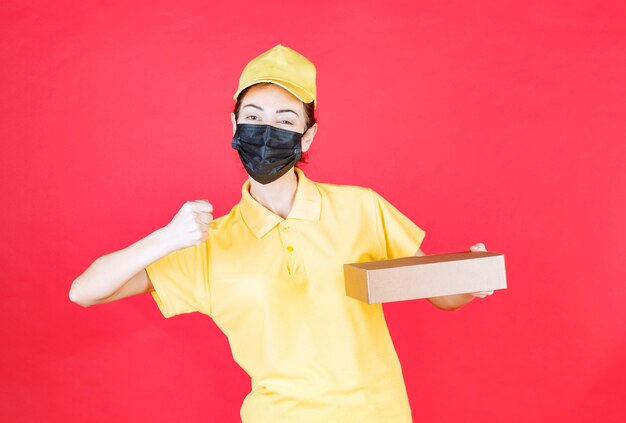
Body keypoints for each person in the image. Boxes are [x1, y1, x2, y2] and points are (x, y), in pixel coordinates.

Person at [69, 44, 494, 423]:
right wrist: (165, 237)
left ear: (307, 135)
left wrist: (471, 277)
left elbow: (443, 297)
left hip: (380, 413)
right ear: (233, 126)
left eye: (285, 119)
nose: (267, 131)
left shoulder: (361, 208)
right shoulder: (209, 245)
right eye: (253, 117)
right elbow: (85, 291)